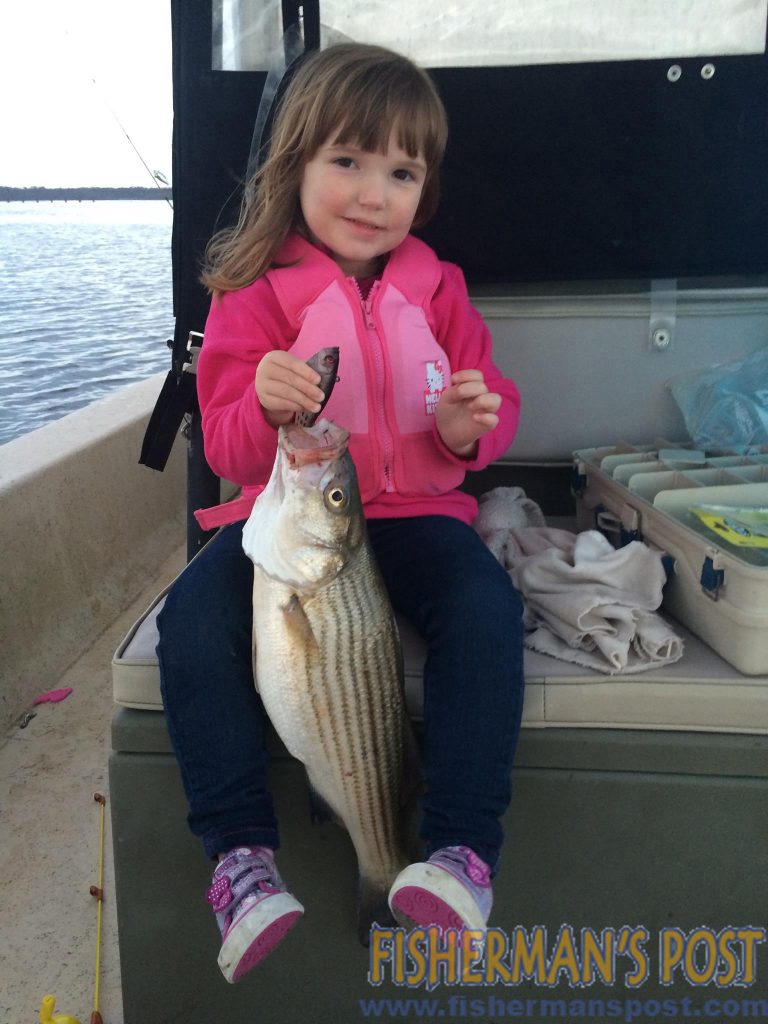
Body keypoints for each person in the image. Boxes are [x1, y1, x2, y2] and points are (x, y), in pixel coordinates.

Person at [157, 41, 525, 984]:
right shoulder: (250, 295)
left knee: (486, 612)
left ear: (424, 187)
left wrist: (462, 424)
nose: (374, 193)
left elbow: (489, 411)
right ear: (297, 164)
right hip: (288, 526)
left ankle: (459, 856)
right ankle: (241, 861)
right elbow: (231, 447)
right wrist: (265, 407)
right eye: (348, 162)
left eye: (401, 171)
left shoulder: (438, 289)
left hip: (417, 520)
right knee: (190, 623)